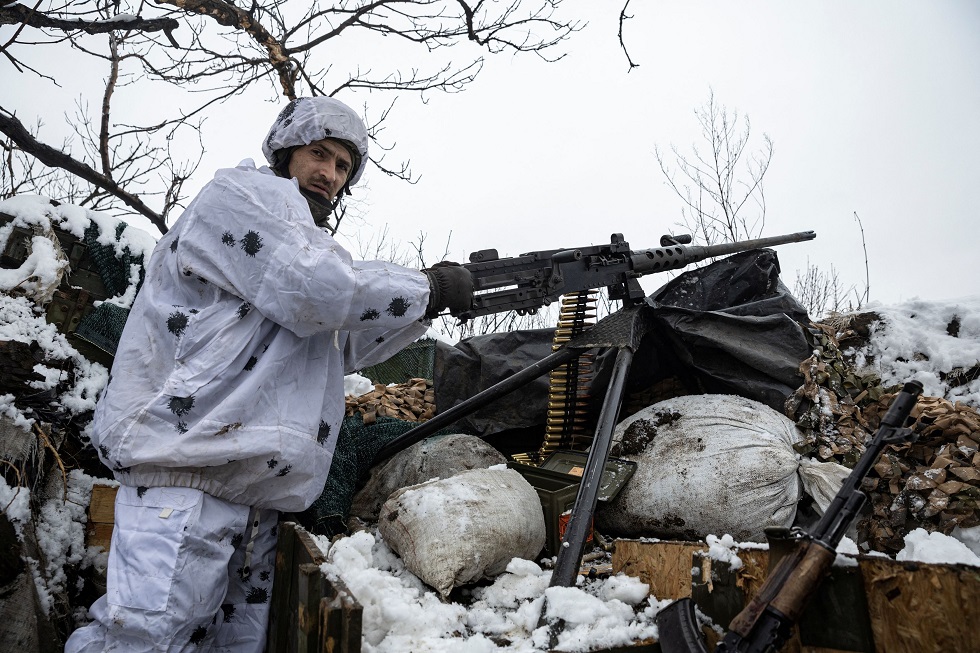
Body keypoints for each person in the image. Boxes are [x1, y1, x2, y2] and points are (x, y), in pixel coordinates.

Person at [65, 96, 472, 653]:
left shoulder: (304, 243)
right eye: (319, 154)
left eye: (343, 167)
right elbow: (316, 288)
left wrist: (425, 306)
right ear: (286, 151)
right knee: (142, 639)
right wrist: (428, 286)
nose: (329, 174)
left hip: (252, 495)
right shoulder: (243, 198)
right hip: (184, 479)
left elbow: (338, 341)